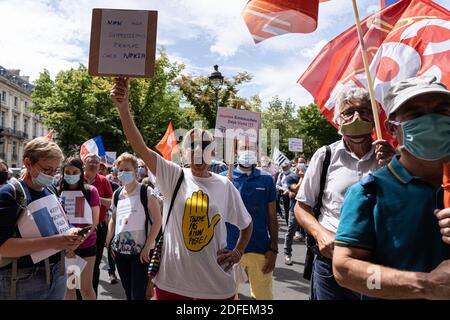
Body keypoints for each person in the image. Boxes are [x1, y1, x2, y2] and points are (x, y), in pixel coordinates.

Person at [110, 77, 253, 300]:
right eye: (192, 147)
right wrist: (123, 109)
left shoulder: (225, 185)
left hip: (216, 286)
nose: (199, 152)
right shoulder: (173, 176)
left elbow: (247, 224)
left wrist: (238, 251)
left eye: (206, 147)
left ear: (213, 153)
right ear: (184, 153)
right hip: (172, 284)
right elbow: (140, 147)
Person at [333, 76, 450, 299]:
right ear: (392, 129)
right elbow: (345, 271)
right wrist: (425, 285)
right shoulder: (369, 193)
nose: (432, 121)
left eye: (442, 110)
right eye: (416, 114)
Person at [295, 86, 394, 300]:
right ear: (339, 120)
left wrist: (394, 169)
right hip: (331, 260)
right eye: (349, 112)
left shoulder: (391, 158)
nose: (357, 117)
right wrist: (320, 234)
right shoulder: (325, 156)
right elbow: (301, 206)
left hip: (378, 262)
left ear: (374, 117)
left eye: (364, 111)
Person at [0, 137, 84, 299]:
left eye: (55, 170)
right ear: (28, 163)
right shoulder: (9, 194)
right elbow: (3, 247)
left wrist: (72, 233)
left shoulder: (51, 189)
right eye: (47, 170)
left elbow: (61, 224)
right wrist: (55, 242)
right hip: (23, 279)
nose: (52, 175)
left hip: (58, 272)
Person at [221, 139, 278, 300]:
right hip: (229, 249)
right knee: (227, 297)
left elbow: (272, 217)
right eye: (243, 148)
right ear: (235, 152)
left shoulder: (266, 179)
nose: (247, 151)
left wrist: (273, 249)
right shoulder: (223, 179)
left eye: (251, 148)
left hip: (260, 249)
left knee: (263, 297)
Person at [106, 152, 162, 300]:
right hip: (120, 252)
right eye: (120, 170)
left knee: (138, 295)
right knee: (128, 293)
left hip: (141, 253)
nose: (123, 173)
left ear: (136, 171)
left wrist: (148, 245)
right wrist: (109, 240)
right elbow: (113, 218)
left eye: (127, 169)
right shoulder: (117, 194)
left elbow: (157, 221)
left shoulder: (146, 192)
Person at [60, 157, 100, 300]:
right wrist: (68, 245)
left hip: (86, 246)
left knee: (86, 288)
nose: (71, 175)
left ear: (81, 172)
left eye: (75, 171)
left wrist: (77, 243)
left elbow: (93, 222)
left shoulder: (91, 191)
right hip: (65, 248)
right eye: (68, 172)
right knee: (69, 288)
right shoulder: (58, 192)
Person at [83, 153, 113, 296]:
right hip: (79, 228)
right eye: (91, 161)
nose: (94, 164)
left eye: (97, 162)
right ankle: (76, 293)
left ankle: (91, 293)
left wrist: (95, 197)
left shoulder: (103, 181)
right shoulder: (77, 179)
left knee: (95, 263)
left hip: (99, 228)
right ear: (84, 163)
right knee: (75, 263)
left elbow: (111, 202)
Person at [283, 163, 305, 266]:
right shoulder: (290, 177)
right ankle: (287, 254)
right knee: (291, 231)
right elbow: (295, 188)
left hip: (308, 209)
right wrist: (302, 178)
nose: (302, 165)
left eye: (304, 162)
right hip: (295, 209)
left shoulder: (310, 176)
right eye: (300, 163)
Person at [276, 162, 299, 227]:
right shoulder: (280, 175)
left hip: (292, 195)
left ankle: (295, 228)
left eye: (285, 168)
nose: (284, 170)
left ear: (289, 167)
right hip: (284, 195)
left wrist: (288, 190)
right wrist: (283, 189)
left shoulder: (293, 175)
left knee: (293, 211)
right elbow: (277, 185)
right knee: (286, 211)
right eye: (283, 168)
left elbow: (296, 186)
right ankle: (288, 225)